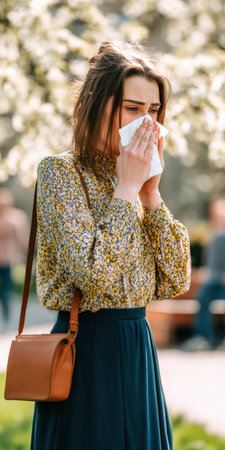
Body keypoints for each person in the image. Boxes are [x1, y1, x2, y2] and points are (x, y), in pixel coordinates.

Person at [30, 40, 191, 450]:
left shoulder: (139, 181)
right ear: (96, 104)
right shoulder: (60, 173)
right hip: (84, 349)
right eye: (132, 109)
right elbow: (95, 277)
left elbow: (174, 280)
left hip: (137, 346)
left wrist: (151, 196)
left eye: (153, 111)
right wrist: (125, 190)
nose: (146, 123)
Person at [182, 199, 225, 351]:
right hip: (213, 281)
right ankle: (204, 337)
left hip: (221, 283)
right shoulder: (213, 236)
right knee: (203, 298)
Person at [0, 188, 28, 332]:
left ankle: (6, 318)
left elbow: (21, 238)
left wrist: (26, 254)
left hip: (7, 260)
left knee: (5, 291)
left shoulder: (16, 218)